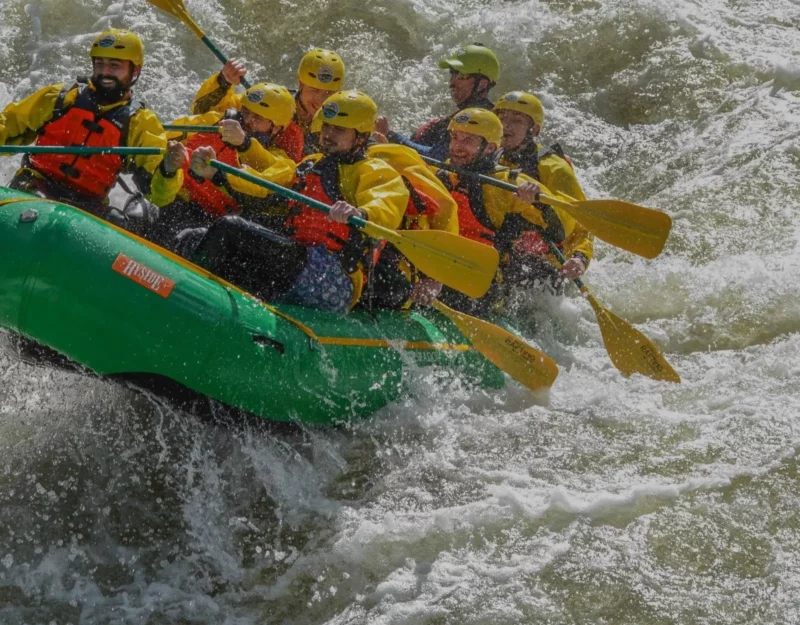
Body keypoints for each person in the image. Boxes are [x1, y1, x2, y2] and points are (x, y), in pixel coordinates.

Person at [185, 91, 408, 314]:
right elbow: (266, 187)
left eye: (339, 129)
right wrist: (217, 174)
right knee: (194, 237)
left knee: (230, 228)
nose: (328, 134)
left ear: (360, 137)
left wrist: (360, 213)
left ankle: (188, 300)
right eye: (327, 126)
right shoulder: (310, 164)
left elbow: (386, 204)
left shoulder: (373, 171)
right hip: (298, 261)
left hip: (333, 277)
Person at [0, 29, 187, 227]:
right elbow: (8, 126)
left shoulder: (141, 123)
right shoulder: (62, 97)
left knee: (117, 220)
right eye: (100, 64)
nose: (105, 72)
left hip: (85, 207)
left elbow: (159, 197)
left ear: (135, 71)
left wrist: (168, 170)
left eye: (115, 66)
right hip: (33, 186)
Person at [432, 108, 567, 315]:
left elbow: (559, 231)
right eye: (455, 138)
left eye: (468, 140)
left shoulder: (508, 186)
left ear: (489, 148)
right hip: (442, 262)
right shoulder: (440, 173)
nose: (457, 146)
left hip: (483, 279)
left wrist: (539, 202)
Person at [158, 82, 297, 244]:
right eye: (245, 112)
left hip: (208, 218)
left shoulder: (283, 163)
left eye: (258, 118)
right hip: (171, 194)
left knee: (190, 237)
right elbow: (163, 136)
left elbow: (260, 186)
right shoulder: (217, 121)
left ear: (276, 129)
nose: (247, 121)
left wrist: (221, 169)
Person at [495, 91, 593, 289]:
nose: (506, 125)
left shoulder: (554, 168)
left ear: (534, 129)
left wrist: (580, 257)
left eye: (516, 120)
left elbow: (581, 222)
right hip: (505, 250)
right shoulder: (490, 156)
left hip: (545, 262)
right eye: (501, 117)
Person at [190, 49, 346, 161]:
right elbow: (202, 111)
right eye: (314, 90)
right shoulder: (273, 100)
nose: (320, 100)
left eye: (328, 94)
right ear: (301, 84)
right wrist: (224, 82)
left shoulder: (340, 123)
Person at [374, 44, 500, 161]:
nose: (452, 82)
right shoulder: (455, 119)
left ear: (482, 84)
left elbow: (438, 157)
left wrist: (390, 135)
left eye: (461, 75)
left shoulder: (485, 121)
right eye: (452, 73)